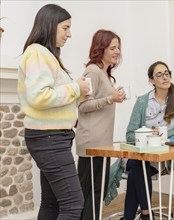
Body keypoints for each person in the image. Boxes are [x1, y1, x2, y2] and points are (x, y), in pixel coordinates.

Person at [17, 4, 90, 220]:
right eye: (65, 28)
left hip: (50, 136)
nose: (70, 34)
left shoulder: (42, 54)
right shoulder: (38, 53)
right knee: (73, 205)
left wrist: (77, 95)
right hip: (50, 138)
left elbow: (47, 97)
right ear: (50, 25)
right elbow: (39, 97)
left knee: (53, 203)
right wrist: (76, 88)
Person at [121, 61, 174, 220]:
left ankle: (134, 216)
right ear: (151, 80)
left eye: (167, 73)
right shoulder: (142, 101)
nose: (165, 77)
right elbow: (130, 134)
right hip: (141, 154)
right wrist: (148, 135)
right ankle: (146, 214)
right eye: (159, 75)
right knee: (139, 165)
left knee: (136, 170)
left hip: (163, 157)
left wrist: (161, 134)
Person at [75, 29, 126, 220]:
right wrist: (110, 99)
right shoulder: (92, 71)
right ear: (101, 48)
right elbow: (83, 105)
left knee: (97, 192)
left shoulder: (103, 73)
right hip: (91, 144)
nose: (117, 51)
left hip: (102, 143)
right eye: (112, 47)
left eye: (118, 47)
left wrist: (113, 97)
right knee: (88, 193)